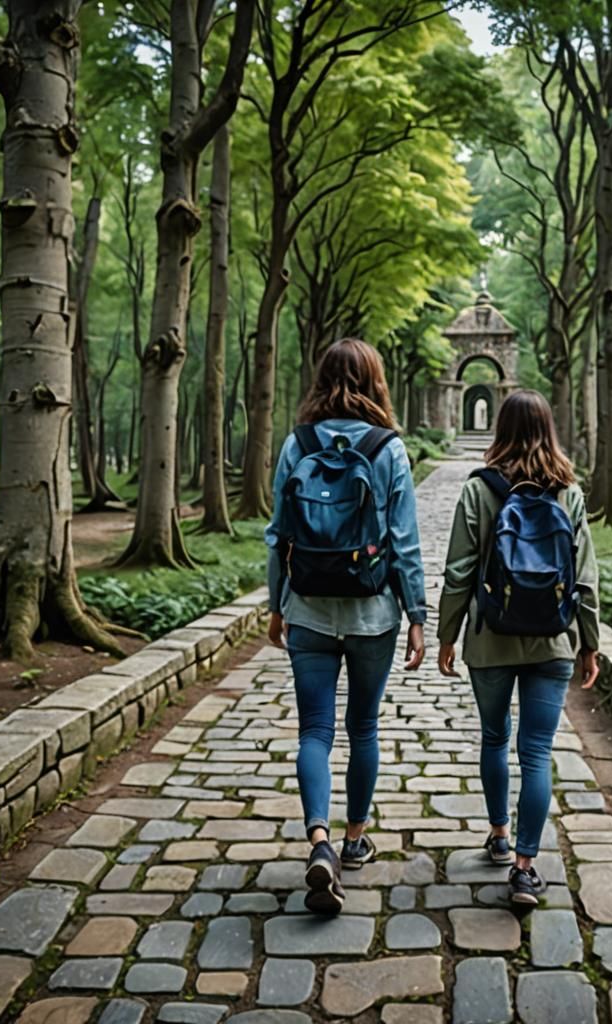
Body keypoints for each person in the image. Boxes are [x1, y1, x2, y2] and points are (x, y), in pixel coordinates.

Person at [265, 338, 427, 914]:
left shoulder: (297, 443)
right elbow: (405, 544)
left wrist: (275, 603)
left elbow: (279, 533)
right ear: (377, 381)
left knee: (314, 731)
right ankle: (355, 839)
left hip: (307, 606)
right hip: (372, 612)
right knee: (362, 727)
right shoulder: (389, 449)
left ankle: (318, 841)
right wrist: (417, 616)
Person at [437, 390, 600, 906]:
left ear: (499, 429)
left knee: (493, 738)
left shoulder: (479, 490)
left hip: (490, 639)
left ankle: (499, 834)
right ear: (549, 430)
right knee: (537, 752)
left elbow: (459, 571)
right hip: (552, 641)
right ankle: (527, 869)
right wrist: (588, 645)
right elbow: (587, 582)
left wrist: (447, 633)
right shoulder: (568, 493)